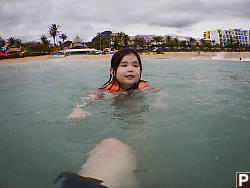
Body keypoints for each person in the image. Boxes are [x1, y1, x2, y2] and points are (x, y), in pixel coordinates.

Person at [67, 48, 154, 119]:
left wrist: (160, 100)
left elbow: (157, 92)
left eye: (135, 65)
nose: (130, 69)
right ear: (112, 71)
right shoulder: (107, 89)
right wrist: (77, 109)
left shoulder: (143, 86)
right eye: (124, 65)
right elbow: (89, 99)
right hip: (113, 110)